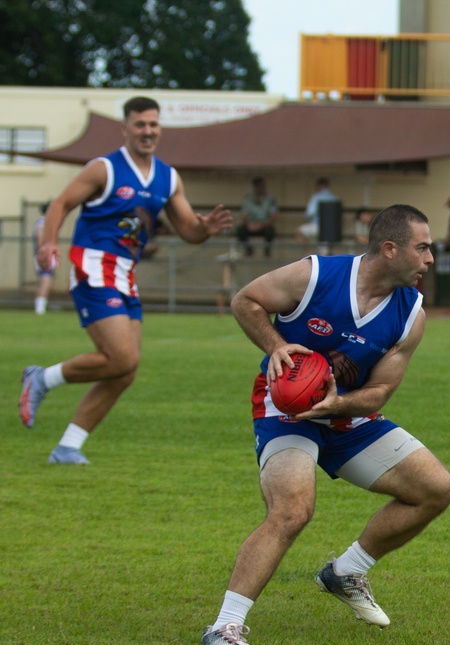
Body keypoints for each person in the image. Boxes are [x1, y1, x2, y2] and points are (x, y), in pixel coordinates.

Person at [201, 204, 450, 645]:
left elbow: (378, 393)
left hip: (346, 413)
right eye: (423, 248)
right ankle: (224, 627)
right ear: (390, 249)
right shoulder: (315, 275)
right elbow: (246, 301)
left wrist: (338, 404)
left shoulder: (411, 313)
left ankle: (344, 571)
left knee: (436, 488)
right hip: (285, 411)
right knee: (293, 510)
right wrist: (278, 347)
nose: (430, 259)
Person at [17, 96, 233, 464]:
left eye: (153, 124)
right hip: (94, 266)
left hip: (125, 275)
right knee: (121, 356)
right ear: (126, 128)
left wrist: (205, 229)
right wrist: (48, 241)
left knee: (126, 369)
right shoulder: (104, 169)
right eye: (140, 125)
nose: (148, 131)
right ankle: (41, 379)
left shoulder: (168, 177)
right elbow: (60, 204)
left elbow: (188, 231)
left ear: (159, 128)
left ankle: (68, 446)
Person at [236, 177, 278, 257]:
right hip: (250, 225)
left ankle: (267, 251)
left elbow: (273, 217)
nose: (261, 188)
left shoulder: (270, 199)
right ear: (254, 187)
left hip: (264, 225)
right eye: (258, 186)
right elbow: (244, 215)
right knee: (240, 230)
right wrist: (249, 224)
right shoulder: (248, 199)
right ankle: (248, 249)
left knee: (271, 231)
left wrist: (262, 225)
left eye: (262, 186)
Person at [296, 176, 338, 244]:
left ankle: (309, 253)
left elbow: (309, 214)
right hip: (333, 230)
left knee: (298, 231)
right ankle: (323, 252)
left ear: (319, 185)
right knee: (324, 249)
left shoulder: (316, 197)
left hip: (317, 227)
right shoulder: (334, 198)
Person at [32, 202, 54, 314]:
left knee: (43, 279)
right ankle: (40, 307)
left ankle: (39, 305)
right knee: (46, 279)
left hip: (42, 254)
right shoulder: (42, 223)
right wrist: (43, 251)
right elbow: (40, 238)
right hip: (43, 254)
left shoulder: (44, 222)